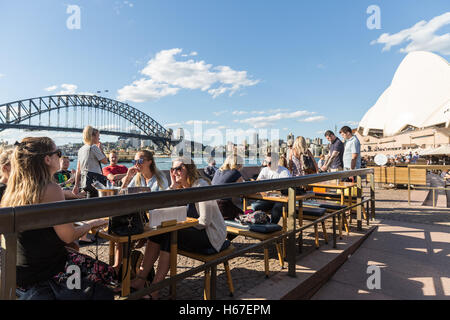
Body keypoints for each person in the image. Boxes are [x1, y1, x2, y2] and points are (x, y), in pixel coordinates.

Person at [1, 137, 113, 300]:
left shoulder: (13, 189)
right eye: (58, 153)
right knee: (107, 276)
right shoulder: (50, 189)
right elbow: (67, 235)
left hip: (19, 269)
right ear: (47, 159)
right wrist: (93, 223)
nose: (60, 157)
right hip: (47, 272)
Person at [130, 157, 227, 299]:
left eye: (179, 168)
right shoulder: (181, 188)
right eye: (172, 169)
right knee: (158, 233)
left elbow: (204, 222)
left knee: (170, 234)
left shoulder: (200, 186)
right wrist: (172, 187)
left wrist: (179, 226)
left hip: (210, 236)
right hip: (194, 231)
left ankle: (155, 289)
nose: (175, 172)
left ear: (189, 169)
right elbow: (160, 208)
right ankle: (140, 280)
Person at [251, 155, 291, 225]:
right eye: (266, 162)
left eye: (270, 163)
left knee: (276, 208)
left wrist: (269, 191)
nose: (267, 164)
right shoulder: (264, 170)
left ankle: (272, 225)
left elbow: (286, 189)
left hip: (281, 199)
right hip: (268, 199)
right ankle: (267, 222)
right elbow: (257, 183)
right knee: (254, 206)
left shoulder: (284, 172)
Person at [73, 126, 108, 198]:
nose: (99, 138)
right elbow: (105, 161)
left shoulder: (81, 149)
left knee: (89, 200)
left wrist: (76, 185)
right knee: (97, 202)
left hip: (85, 181)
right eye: (98, 136)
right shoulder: (93, 147)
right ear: (92, 136)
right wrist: (101, 149)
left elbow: (78, 170)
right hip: (95, 182)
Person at [212, 154, 245, 220]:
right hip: (223, 207)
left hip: (212, 206)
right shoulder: (235, 172)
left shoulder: (217, 171)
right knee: (243, 215)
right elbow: (244, 190)